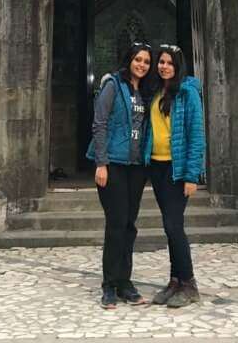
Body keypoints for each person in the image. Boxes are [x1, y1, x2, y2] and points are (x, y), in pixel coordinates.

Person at [86, 43, 152, 309]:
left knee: (129, 224)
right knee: (116, 224)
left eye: (147, 61)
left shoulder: (146, 91)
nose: (142, 65)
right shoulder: (113, 84)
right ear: (129, 60)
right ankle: (109, 285)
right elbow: (99, 122)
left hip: (136, 167)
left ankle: (125, 282)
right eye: (138, 59)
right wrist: (101, 163)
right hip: (112, 163)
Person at [145, 44, 206, 308]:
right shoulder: (157, 91)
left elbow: (196, 135)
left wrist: (192, 176)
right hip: (157, 168)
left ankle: (189, 283)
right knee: (169, 226)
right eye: (161, 62)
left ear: (178, 66)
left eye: (169, 63)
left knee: (174, 226)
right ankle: (174, 280)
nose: (164, 66)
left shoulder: (188, 93)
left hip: (177, 169)